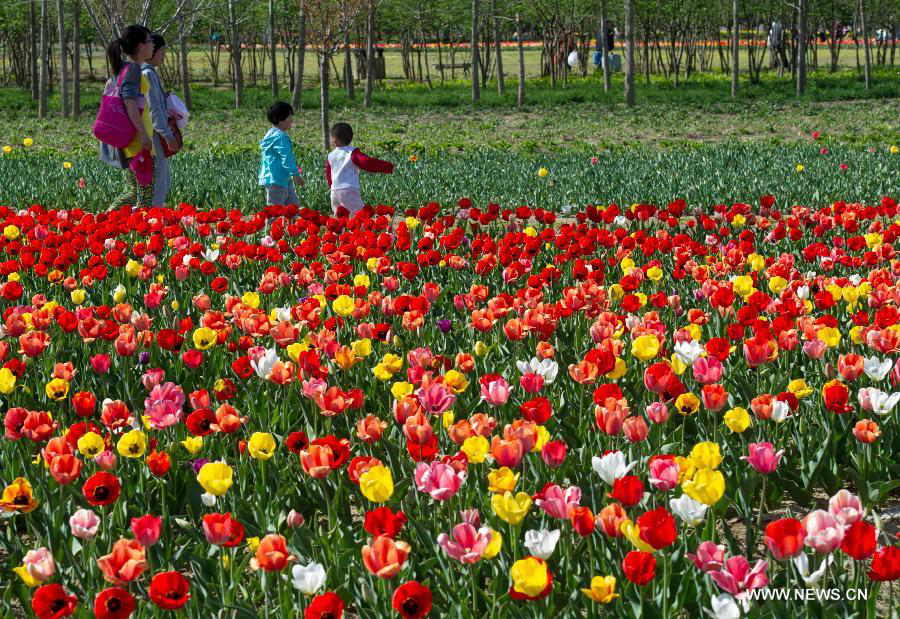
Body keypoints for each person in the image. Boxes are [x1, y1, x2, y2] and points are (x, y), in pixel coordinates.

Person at [99, 24, 155, 211]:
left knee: (134, 190)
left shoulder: (124, 68)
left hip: (132, 140)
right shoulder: (132, 70)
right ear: (140, 46)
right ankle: (107, 220)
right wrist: (143, 135)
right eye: (149, 40)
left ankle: (113, 224)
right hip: (136, 141)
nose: (153, 44)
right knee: (142, 194)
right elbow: (129, 103)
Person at [325, 122, 393, 217]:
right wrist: (388, 167)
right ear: (350, 137)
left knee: (341, 218)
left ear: (334, 139)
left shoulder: (331, 155)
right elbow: (367, 162)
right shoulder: (352, 153)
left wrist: (331, 186)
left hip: (334, 192)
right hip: (349, 190)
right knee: (360, 216)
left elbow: (329, 174)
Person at [142, 34, 179, 206]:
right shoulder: (147, 74)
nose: (164, 56)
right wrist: (167, 135)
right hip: (153, 135)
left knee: (156, 181)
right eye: (162, 51)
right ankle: (153, 223)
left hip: (149, 134)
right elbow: (154, 109)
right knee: (159, 181)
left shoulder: (148, 73)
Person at [259, 101, 303, 206]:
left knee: (292, 207)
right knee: (276, 211)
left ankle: (293, 222)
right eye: (289, 117)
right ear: (280, 119)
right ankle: (271, 223)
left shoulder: (270, 134)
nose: (291, 119)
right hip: (277, 179)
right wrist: (295, 174)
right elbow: (286, 158)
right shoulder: (281, 137)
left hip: (280, 178)